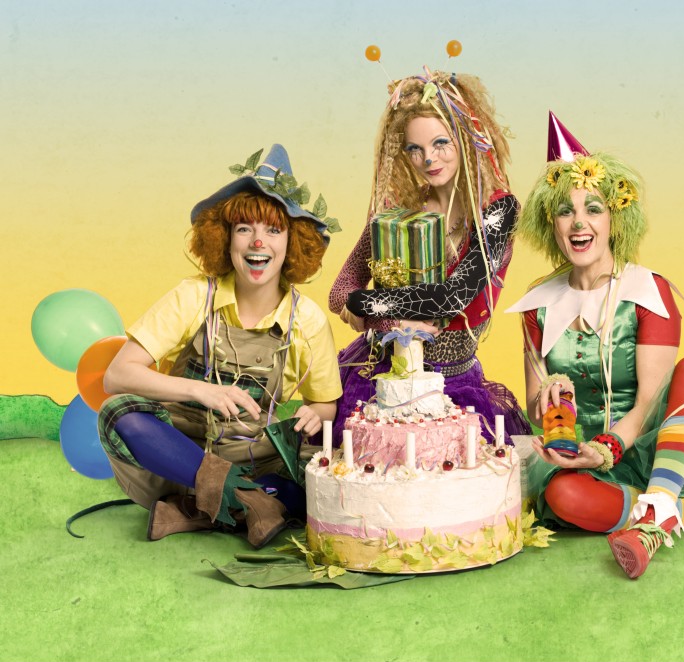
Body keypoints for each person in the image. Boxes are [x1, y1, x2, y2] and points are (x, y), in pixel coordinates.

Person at [507, 113, 684, 579]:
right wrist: (551, 408)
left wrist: (605, 448)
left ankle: (656, 511)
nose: (579, 222)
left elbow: (647, 406)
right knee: (561, 495)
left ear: (615, 218)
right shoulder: (536, 306)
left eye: (593, 209)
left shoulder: (647, 291)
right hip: (590, 466)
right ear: (551, 223)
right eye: (565, 211)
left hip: (667, 450)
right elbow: (535, 409)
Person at [99, 144, 343, 548]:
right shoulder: (193, 296)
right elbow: (117, 375)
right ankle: (250, 501)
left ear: (292, 242)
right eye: (244, 228)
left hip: (257, 459)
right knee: (117, 412)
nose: (258, 242)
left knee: (323, 483)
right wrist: (202, 390)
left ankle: (195, 509)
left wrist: (314, 415)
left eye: (273, 230)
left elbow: (324, 404)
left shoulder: (308, 319)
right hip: (178, 457)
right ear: (226, 238)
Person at [329, 67, 531, 446]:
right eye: (415, 149)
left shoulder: (498, 211)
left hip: (452, 379)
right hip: (378, 374)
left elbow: (450, 298)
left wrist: (363, 304)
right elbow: (340, 290)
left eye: (441, 143)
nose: (428, 159)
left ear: (466, 138)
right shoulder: (401, 211)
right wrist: (388, 320)